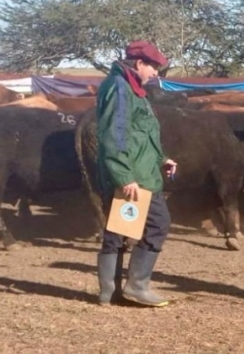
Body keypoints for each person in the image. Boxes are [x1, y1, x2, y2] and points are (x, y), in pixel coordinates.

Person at [95, 40, 177, 307]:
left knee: (119, 229)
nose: (156, 72)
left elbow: (139, 134)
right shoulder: (120, 88)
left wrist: (161, 158)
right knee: (158, 224)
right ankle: (137, 286)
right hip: (134, 177)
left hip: (138, 169)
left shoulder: (131, 87)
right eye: (153, 67)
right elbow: (114, 134)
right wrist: (124, 176)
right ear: (139, 63)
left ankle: (109, 292)